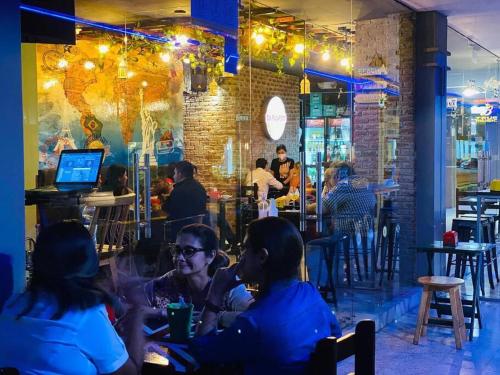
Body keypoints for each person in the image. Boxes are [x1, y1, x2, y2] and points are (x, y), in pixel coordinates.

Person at [190, 217, 342, 374]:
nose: (241, 257)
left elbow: (202, 352)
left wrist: (215, 293)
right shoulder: (310, 293)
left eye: (245, 249)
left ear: (262, 257)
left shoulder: (253, 323)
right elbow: (335, 335)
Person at [0, 221, 144, 374]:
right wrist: (137, 312)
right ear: (88, 262)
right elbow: (129, 372)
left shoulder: (11, 306)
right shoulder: (85, 315)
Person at [144, 224, 253, 327]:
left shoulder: (226, 284)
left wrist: (213, 316)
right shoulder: (168, 281)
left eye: (188, 251)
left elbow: (255, 316)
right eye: (177, 250)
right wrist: (163, 313)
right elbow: (130, 306)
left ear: (210, 256)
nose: (179, 258)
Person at [322, 162, 376, 235]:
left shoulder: (343, 185)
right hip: (367, 240)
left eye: (334, 176)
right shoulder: (363, 183)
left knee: (314, 238)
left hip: (347, 239)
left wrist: (307, 207)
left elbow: (321, 209)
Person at [162, 160, 208, 240]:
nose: (173, 176)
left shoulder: (179, 190)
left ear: (180, 174)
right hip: (198, 226)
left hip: (181, 228)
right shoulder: (199, 186)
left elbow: (167, 208)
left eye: (175, 173)